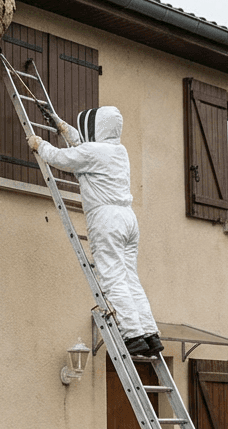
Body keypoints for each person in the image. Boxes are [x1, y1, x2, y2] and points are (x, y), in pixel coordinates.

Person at [27, 106, 163, 357]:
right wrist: (63, 126)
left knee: (111, 277)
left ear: (98, 127)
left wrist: (40, 145)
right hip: (128, 219)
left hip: (106, 219)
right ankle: (149, 333)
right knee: (129, 277)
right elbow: (86, 148)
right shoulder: (119, 152)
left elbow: (61, 158)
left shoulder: (93, 152)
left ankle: (132, 334)